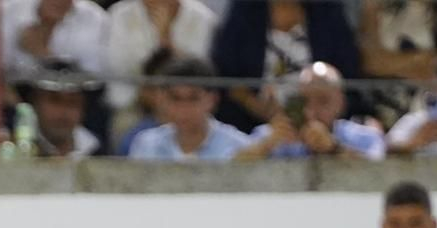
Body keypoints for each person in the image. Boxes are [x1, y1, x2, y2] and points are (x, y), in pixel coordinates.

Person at [209, 0, 365, 134]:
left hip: (323, 123)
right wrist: (257, 107)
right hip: (253, 122)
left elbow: (346, 73)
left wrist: (317, 113)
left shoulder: (328, 10)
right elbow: (225, 71)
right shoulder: (245, 9)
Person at [233, 61, 386, 159]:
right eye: (304, 100)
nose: (311, 111)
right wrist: (266, 146)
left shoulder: (364, 136)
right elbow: (231, 168)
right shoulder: (273, 135)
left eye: (323, 101)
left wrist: (333, 148)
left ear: (341, 103)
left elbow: (379, 172)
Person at [128, 53, 252, 160]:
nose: (183, 108)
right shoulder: (146, 145)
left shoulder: (239, 147)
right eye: (175, 98)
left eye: (193, 98)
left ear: (212, 99)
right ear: (163, 99)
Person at [22, 59, 102, 157]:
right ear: (35, 101)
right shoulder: (17, 144)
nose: (64, 111)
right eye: (55, 100)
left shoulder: (98, 151)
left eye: (73, 102)